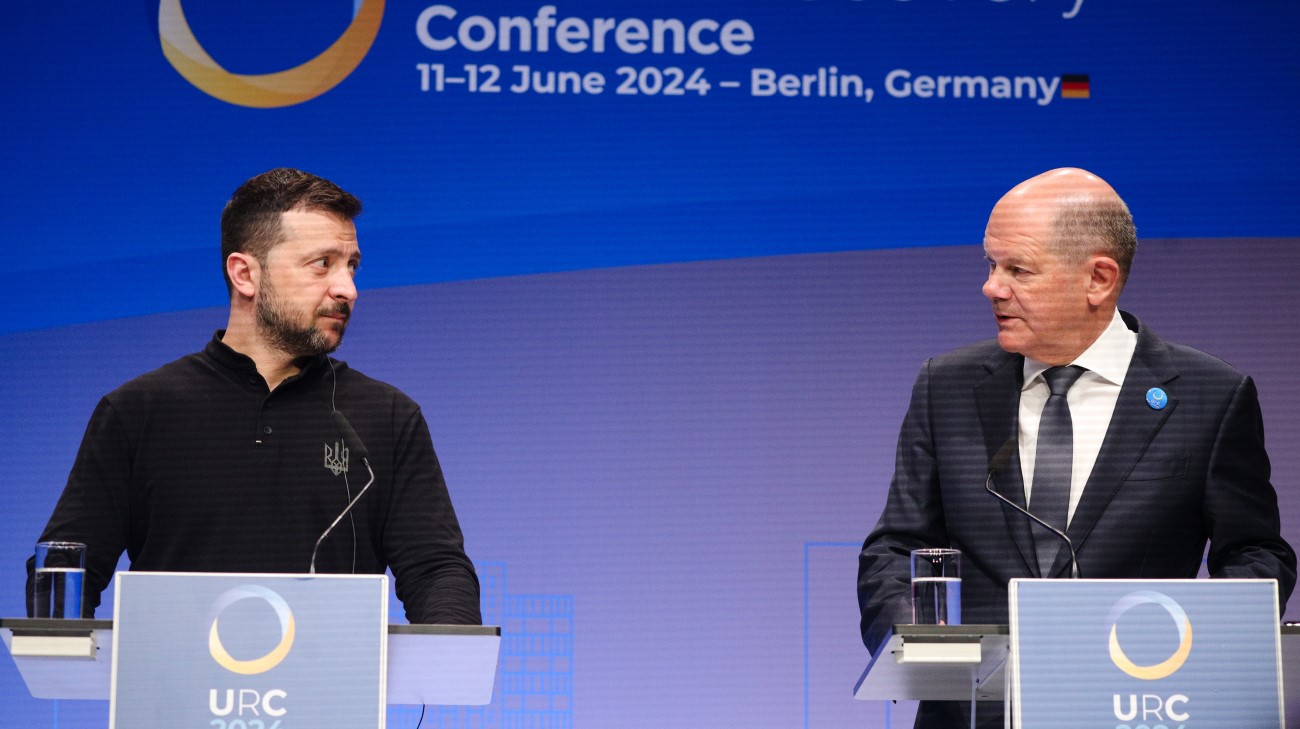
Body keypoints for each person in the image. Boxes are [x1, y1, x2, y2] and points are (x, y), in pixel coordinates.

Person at [857, 168, 1295, 728]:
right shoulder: (947, 385)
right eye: (990, 265)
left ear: (1099, 279)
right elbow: (896, 547)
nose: (992, 287)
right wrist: (918, 646)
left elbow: (1256, 554)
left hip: (1137, 707)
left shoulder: (1209, 396)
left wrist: (1190, 644)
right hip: (973, 713)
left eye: (1017, 269)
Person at [28, 168, 481, 625]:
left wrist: (449, 648)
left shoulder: (387, 417)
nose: (348, 288)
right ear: (245, 274)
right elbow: (65, 569)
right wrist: (59, 643)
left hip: (332, 673)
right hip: (174, 673)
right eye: (322, 263)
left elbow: (436, 571)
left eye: (352, 266)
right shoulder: (138, 411)